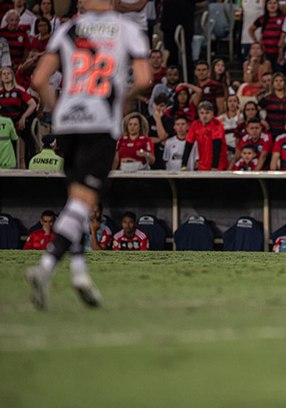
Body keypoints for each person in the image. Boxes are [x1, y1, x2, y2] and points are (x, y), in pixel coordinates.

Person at [27, 0, 152, 310]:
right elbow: (145, 79)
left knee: (78, 201)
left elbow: (39, 80)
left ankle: (80, 273)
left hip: (68, 120)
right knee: (84, 200)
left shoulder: (68, 29)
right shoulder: (126, 28)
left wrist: (58, 110)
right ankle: (46, 267)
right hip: (99, 120)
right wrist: (124, 98)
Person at [181, 101, 227, 171]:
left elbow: (217, 146)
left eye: (207, 113)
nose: (204, 116)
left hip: (218, 166)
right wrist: (183, 165)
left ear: (212, 113)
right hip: (202, 166)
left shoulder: (217, 124)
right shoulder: (195, 125)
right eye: (202, 113)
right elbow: (188, 145)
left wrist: (214, 167)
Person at [249, 0, 285, 74]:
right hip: (265, 53)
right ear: (266, 5)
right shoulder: (262, 18)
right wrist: (256, 41)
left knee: (279, 73)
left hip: (278, 52)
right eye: (270, 3)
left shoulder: (283, 18)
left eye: (274, 3)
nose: (272, 5)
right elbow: (251, 29)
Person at [258, 72, 286, 137]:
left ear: (285, 83)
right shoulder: (267, 98)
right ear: (272, 83)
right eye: (276, 81)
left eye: (281, 81)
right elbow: (255, 111)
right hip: (270, 131)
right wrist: (261, 120)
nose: (278, 83)